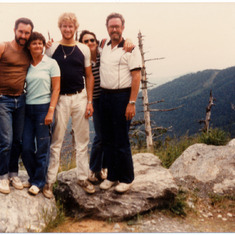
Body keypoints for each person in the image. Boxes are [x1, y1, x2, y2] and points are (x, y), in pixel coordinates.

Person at [43, 12, 95, 198]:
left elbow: (89, 76)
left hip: (80, 97)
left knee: (82, 141)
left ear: (75, 28)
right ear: (60, 27)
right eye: (64, 26)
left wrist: (89, 101)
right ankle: (49, 181)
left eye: (70, 26)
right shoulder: (52, 48)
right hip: (60, 99)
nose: (67, 29)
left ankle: (82, 177)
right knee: (56, 141)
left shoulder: (83, 49)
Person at [99, 13, 142, 193]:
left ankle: (127, 178)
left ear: (123, 28)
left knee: (121, 138)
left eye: (117, 26)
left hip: (122, 97)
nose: (114, 29)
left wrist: (131, 102)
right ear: (107, 28)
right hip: (105, 96)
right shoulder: (104, 46)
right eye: (111, 26)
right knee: (107, 139)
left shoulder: (130, 49)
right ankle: (112, 176)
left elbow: (136, 76)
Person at [21, 32, 60, 196]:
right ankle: (33, 177)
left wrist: (51, 110)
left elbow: (56, 88)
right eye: (34, 43)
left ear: (44, 45)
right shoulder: (26, 64)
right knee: (26, 146)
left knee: (43, 146)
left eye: (40, 43)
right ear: (29, 46)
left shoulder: (51, 63)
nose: (37, 46)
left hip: (44, 108)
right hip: (27, 108)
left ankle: (38, 182)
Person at [0, 17, 34, 194]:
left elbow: (43, 52)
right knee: (5, 140)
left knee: (17, 141)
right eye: (21, 31)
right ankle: (3, 176)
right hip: (3, 99)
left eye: (27, 32)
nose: (23, 35)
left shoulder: (28, 52)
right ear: (14, 30)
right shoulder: (4, 47)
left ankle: (13, 173)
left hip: (21, 100)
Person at [79, 30, 108, 183]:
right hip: (94, 100)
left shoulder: (105, 54)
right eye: (85, 41)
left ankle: (104, 167)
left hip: (109, 98)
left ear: (96, 42)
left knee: (109, 135)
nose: (89, 43)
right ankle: (94, 168)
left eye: (92, 40)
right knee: (100, 136)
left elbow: (119, 43)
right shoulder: (82, 60)